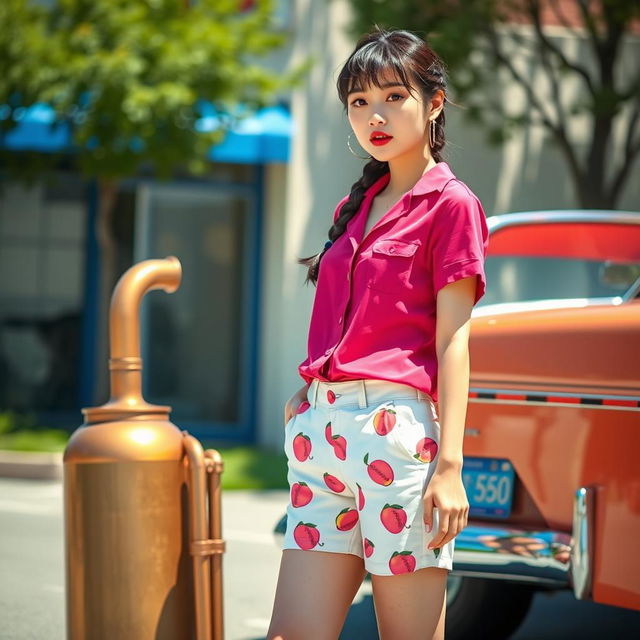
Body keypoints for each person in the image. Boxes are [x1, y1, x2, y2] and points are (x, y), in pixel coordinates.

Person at [267, 27, 489, 640]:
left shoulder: (451, 204)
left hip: (395, 435)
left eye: (394, 96)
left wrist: (450, 464)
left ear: (434, 101)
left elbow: (454, 341)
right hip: (321, 435)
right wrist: (311, 388)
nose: (376, 115)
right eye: (360, 102)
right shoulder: (357, 203)